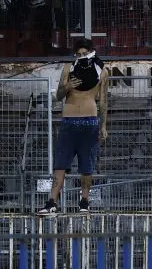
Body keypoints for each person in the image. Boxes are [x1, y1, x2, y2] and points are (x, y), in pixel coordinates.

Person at [38, 40, 109, 216]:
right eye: (78, 54)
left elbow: (103, 101)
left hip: (90, 121)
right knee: (60, 166)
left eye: (84, 53)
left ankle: (84, 202)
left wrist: (104, 125)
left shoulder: (102, 70)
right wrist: (67, 86)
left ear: (91, 52)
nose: (80, 57)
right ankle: (51, 202)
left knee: (87, 167)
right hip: (69, 120)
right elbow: (59, 95)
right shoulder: (68, 69)